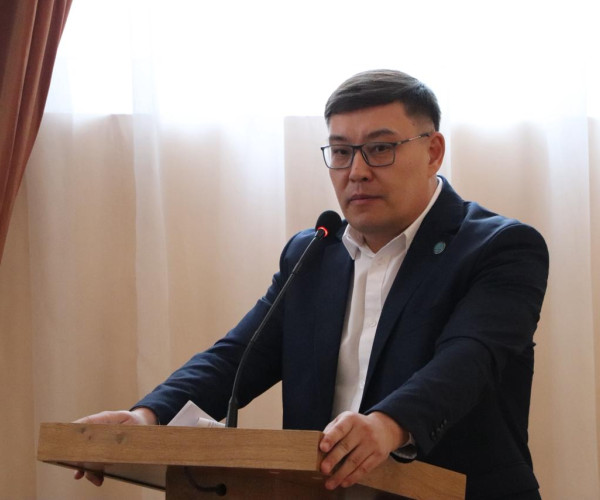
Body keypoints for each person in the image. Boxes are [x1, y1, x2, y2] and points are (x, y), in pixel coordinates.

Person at [75, 70, 549, 499]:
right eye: (341, 152)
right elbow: (236, 358)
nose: (356, 171)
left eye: (380, 149)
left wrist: (387, 426)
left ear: (433, 151)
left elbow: (468, 360)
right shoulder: (313, 254)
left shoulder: (500, 248)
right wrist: (146, 419)